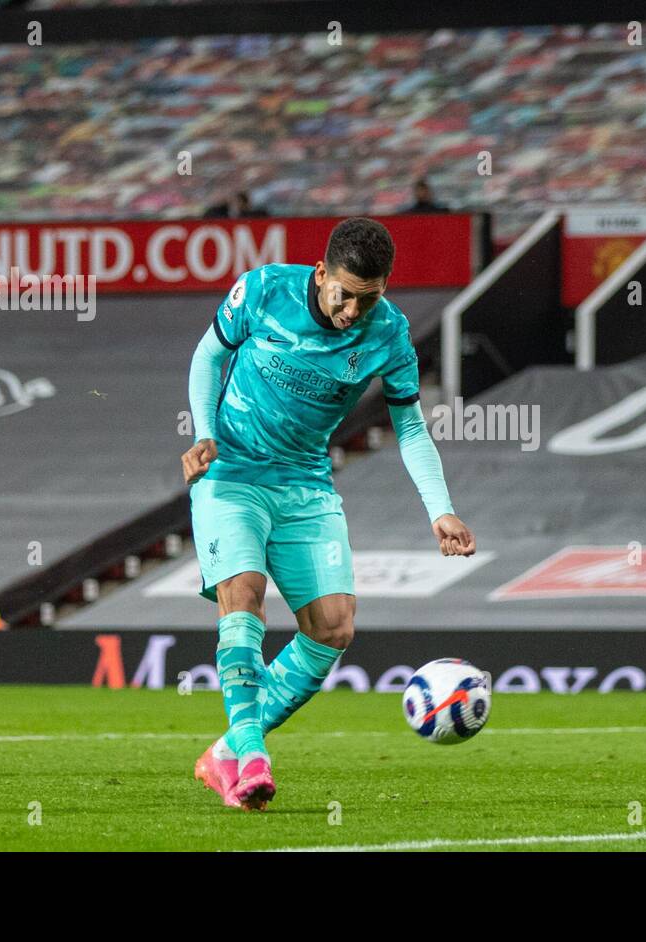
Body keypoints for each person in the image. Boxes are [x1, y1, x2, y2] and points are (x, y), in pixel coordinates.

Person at [182, 217, 476, 811]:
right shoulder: (263, 290)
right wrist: (205, 433)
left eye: (369, 298)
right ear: (321, 273)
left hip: (306, 484)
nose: (352, 311)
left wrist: (440, 511)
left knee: (333, 628)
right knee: (243, 595)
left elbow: (410, 426)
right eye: (345, 294)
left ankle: (227, 750)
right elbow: (208, 357)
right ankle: (251, 757)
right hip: (232, 474)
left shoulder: (389, 334)